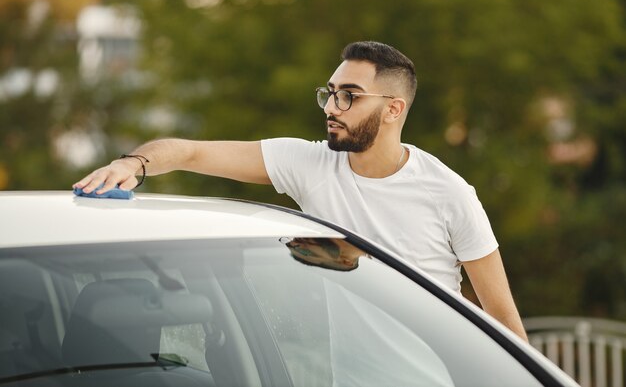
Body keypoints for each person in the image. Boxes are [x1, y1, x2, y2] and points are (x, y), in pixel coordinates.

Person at [74, 41, 528, 341]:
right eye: (330, 93)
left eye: (349, 95)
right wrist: (133, 163)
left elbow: (505, 323)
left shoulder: (450, 193)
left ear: (393, 109)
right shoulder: (310, 164)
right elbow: (190, 152)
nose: (332, 107)